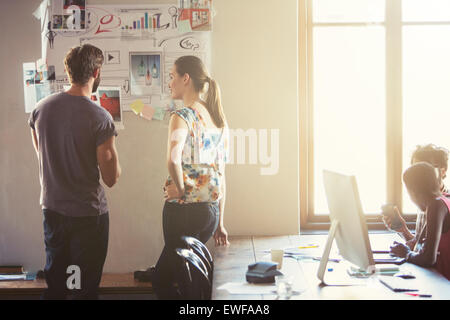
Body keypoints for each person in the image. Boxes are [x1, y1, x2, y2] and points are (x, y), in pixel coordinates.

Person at [28, 44, 121, 299]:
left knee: (59, 285)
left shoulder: (41, 109)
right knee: (81, 288)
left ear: (69, 72)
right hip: (87, 218)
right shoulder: (100, 117)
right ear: (96, 72)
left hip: (53, 213)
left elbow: (42, 155)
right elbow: (111, 178)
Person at [153, 55, 229, 299]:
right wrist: (220, 222)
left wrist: (182, 190)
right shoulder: (218, 119)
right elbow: (221, 175)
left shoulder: (182, 116)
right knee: (190, 280)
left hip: (183, 212)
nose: (170, 83)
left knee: (164, 281)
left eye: (173, 76)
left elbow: (172, 159)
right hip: (209, 213)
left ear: (186, 79)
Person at [390, 162, 450, 280]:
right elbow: (420, 247)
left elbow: (428, 259)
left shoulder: (436, 205)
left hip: (443, 283)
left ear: (414, 191)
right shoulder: (443, 200)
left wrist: (406, 254)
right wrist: (403, 233)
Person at [383, 144, 449, 250]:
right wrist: (403, 230)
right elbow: (421, 247)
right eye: (415, 169)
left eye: (425, 169)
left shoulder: (441, 204)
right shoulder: (424, 201)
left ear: (443, 170)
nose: (418, 175)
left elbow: (430, 257)